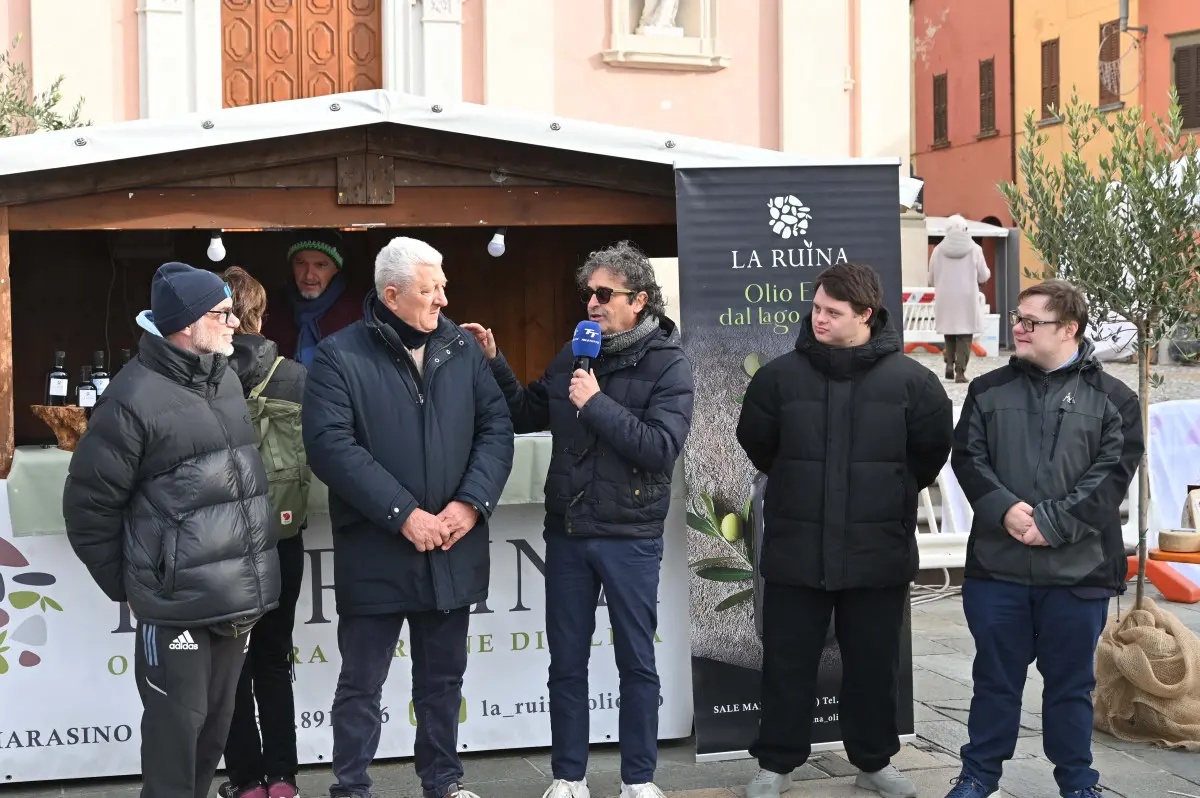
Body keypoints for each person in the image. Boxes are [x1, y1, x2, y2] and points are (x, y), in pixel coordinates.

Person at [463, 241, 695, 798]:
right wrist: (494, 361)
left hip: (629, 536)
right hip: (568, 533)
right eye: (587, 293)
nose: (590, 303)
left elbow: (661, 447)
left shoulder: (669, 362)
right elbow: (523, 412)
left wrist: (596, 403)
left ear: (638, 300)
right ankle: (569, 776)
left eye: (603, 293)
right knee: (566, 662)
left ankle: (639, 780)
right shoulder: (574, 355)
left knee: (636, 661)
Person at [303, 237, 514, 798]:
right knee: (361, 684)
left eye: (443, 285)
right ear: (391, 295)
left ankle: (443, 782)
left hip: (451, 544)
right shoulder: (338, 355)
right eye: (430, 289)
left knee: (443, 680)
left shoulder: (462, 350)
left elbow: (496, 428)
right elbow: (329, 447)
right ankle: (351, 788)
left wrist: (471, 503)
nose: (443, 298)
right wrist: (404, 515)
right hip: (377, 549)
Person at [734, 262, 953, 798]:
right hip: (795, 551)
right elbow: (759, 445)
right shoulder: (777, 379)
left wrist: (888, 494)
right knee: (787, 663)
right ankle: (776, 764)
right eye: (817, 308)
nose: (820, 319)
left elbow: (928, 455)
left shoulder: (915, 384)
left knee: (874, 666)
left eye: (833, 312)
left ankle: (874, 761)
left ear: (866, 316)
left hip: (876, 553)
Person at [63, 261, 280, 798]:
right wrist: (136, 585)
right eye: (223, 313)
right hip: (176, 604)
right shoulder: (132, 397)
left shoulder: (223, 377)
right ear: (186, 323)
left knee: (211, 736)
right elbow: (88, 506)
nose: (235, 323)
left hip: (235, 599)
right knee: (175, 741)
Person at [945, 280, 1142, 798]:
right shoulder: (987, 390)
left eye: (1031, 322)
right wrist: (1005, 509)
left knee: (1072, 688)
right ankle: (978, 777)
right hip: (997, 571)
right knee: (994, 682)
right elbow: (968, 458)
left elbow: (1111, 477)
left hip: (1078, 575)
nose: (1018, 328)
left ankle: (1078, 783)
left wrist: (1050, 524)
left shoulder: (1116, 399)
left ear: (1069, 329)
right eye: (1017, 317)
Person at [218, 266, 310, 798]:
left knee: (232, 665)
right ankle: (283, 780)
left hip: (222, 543)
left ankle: (247, 781)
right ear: (262, 312)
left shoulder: (202, 376)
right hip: (283, 537)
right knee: (275, 656)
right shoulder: (294, 375)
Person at [261, 229, 365, 366]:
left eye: (320, 265)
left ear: (336, 268)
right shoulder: (273, 309)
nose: (309, 275)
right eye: (301, 263)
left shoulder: (359, 311)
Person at [928, 214, 991, 383]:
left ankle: (949, 363)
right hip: (967, 297)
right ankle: (960, 372)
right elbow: (984, 274)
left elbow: (931, 279)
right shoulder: (975, 249)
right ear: (965, 229)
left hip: (945, 297)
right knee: (965, 334)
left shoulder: (938, 250)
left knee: (949, 333)